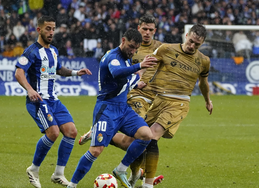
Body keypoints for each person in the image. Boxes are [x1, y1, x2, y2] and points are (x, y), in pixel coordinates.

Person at [79, 14, 164, 187]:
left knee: (135, 142)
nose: (147, 33)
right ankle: (136, 175)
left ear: (155, 31)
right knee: (146, 137)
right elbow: (118, 72)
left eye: (150, 30)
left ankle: (135, 172)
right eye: (144, 29)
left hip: (148, 98)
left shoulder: (160, 49)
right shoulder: (126, 49)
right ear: (138, 29)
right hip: (128, 98)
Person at [14, 16, 92, 188]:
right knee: (53, 132)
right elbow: (19, 73)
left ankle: (58, 174)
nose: (51, 32)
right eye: (48, 28)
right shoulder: (31, 51)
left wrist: (75, 73)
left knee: (71, 131)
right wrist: (30, 89)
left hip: (53, 100)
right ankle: (33, 169)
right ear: (39, 30)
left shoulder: (54, 50)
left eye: (53, 28)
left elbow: (59, 70)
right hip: (38, 100)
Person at [139, 23, 213, 188]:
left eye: (197, 44)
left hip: (179, 103)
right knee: (138, 137)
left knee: (151, 136)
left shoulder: (203, 61)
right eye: (191, 41)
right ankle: (136, 173)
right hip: (157, 99)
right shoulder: (166, 49)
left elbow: (203, 83)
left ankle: (147, 184)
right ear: (186, 35)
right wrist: (141, 79)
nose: (192, 46)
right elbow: (147, 63)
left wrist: (207, 100)